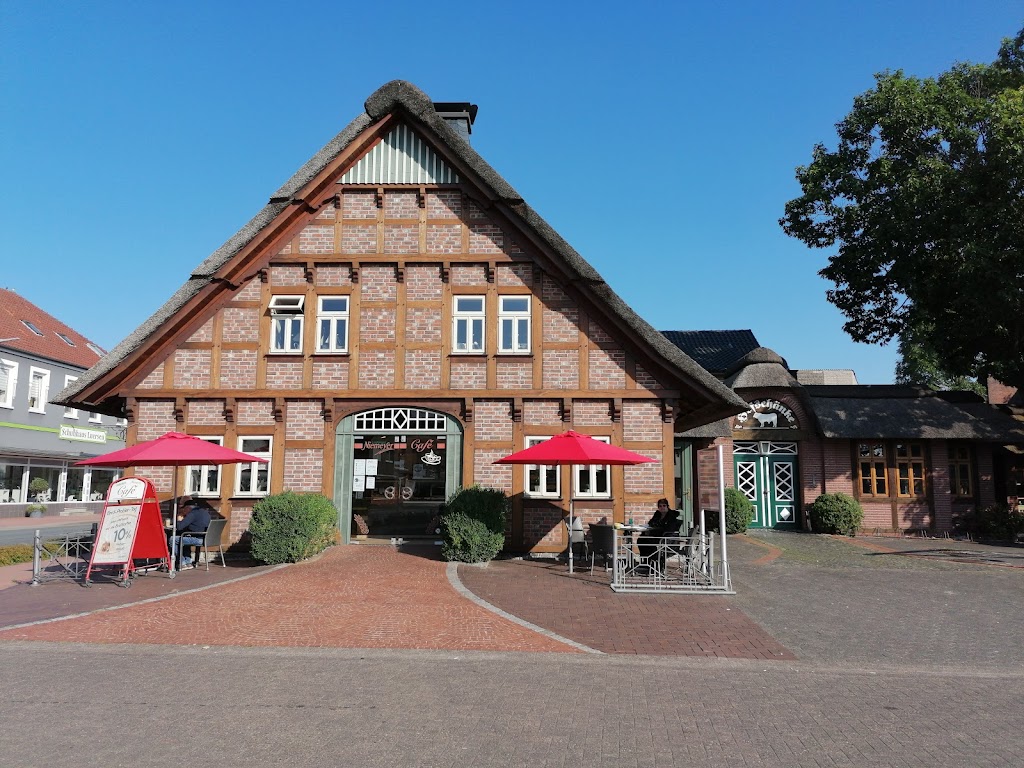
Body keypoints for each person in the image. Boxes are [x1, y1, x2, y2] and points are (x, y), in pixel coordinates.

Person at [637, 498, 681, 574]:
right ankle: (645, 562)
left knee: (649, 543)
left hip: (666, 540)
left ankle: (653, 565)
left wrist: (654, 530)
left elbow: (668, 530)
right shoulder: (657, 514)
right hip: (657, 536)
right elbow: (651, 523)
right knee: (641, 539)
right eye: (660, 506)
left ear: (667, 506)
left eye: (664, 505)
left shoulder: (671, 516)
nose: (662, 507)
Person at [170, 497, 212, 569]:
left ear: (188, 508)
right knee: (185, 538)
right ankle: (188, 562)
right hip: (207, 538)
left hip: (198, 539)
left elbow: (179, 527)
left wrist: (178, 519)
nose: (184, 511)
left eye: (184, 509)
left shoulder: (192, 514)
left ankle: (182, 562)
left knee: (172, 539)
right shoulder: (205, 512)